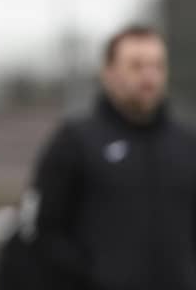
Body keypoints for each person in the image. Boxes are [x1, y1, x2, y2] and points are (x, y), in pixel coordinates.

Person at [27, 25, 196, 290]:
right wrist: (89, 275)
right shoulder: (75, 142)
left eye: (157, 66)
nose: (148, 76)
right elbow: (43, 230)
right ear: (109, 73)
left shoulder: (187, 144)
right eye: (136, 66)